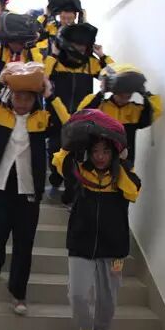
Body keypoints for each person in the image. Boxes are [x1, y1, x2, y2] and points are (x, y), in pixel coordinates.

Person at [0, 63, 69, 315]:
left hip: (28, 189)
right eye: (18, 96)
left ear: (35, 99)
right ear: (11, 95)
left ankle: (18, 294)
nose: (22, 103)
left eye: (28, 98)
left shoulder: (41, 119)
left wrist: (50, 93)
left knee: (24, 244)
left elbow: (67, 124)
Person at [52, 109, 141, 330]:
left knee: (108, 298)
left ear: (114, 153)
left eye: (106, 151)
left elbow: (133, 191)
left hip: (114, 247)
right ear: (88, 153)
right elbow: (58, 161)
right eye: (95, 151)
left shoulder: (123, 176)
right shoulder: (79, 171)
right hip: (80, 242)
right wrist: (72, 145)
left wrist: (122, 163)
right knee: (77, 294)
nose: (100, 157)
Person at [44, 23, 114, 203]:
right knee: (55, 148)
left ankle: (71, 191)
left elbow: (113, 74)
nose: (81, 49)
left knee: (76, 153)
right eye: (77, 45)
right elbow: (44, 76)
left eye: (84, 46)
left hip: (82, 116)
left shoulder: (90, 63)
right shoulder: (57, 61)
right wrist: (53, 55)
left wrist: (102, 56)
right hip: (57, 112)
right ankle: (55, 179)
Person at [77, 63, 163, 163]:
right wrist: (101, 93)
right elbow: (81, 114)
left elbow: (154, 111)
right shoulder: (100, 107)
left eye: (128, 96)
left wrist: (145, 94)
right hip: (98, 161)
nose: (124, 99)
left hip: (125, 163)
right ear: (114, 92)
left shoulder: (134, 110)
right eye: (121, 95)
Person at [0, 12, 43, 84]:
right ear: (7, 40)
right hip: (1, 84)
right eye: (14, 42)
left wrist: (32, 46)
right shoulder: (2, 49)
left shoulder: (28, 50)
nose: (18, 46)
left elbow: (39, 67)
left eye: (21, 43)